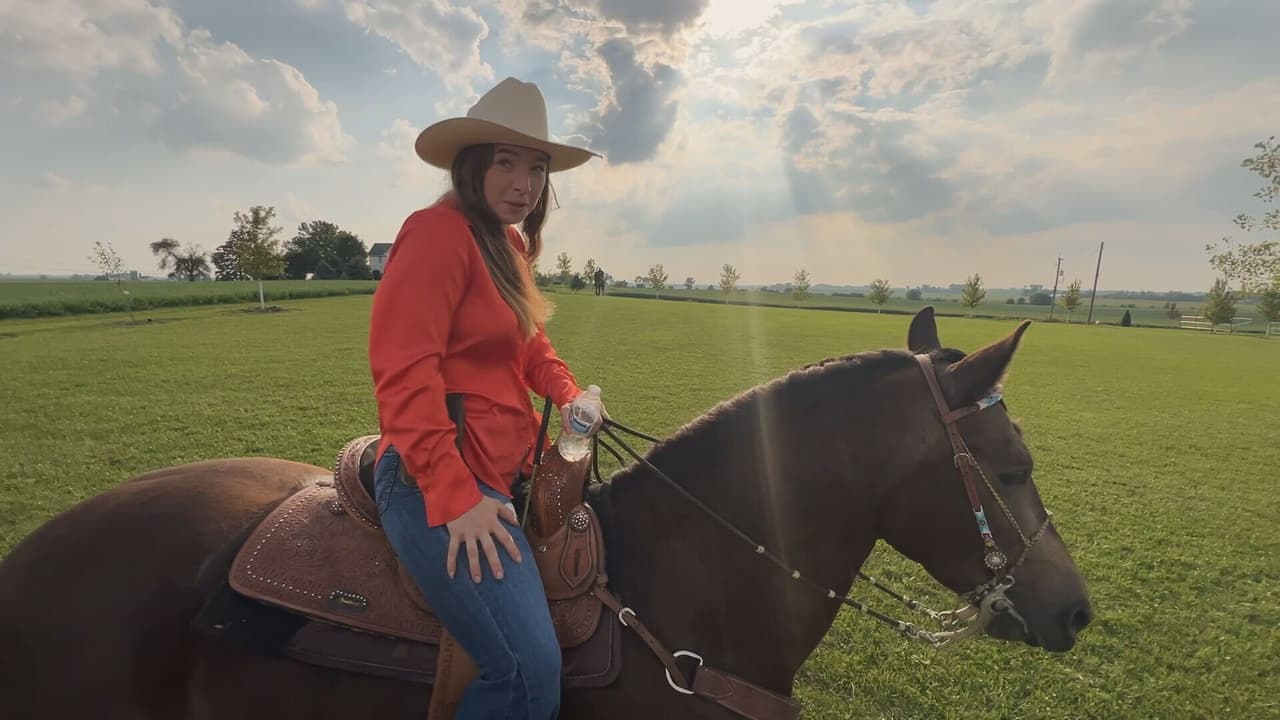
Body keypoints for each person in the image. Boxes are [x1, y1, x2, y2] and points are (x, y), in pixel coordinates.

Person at [367, 77, 605, 719]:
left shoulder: (506, 244)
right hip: (434, 480)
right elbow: (404, 373)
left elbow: (530, 344)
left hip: (503, 466)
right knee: (528, 667)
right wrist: (454, 497)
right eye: (506, 161)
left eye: (537, 166)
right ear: (471, 164)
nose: (524, 182)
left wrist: (569, 391)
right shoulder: (436, 234)